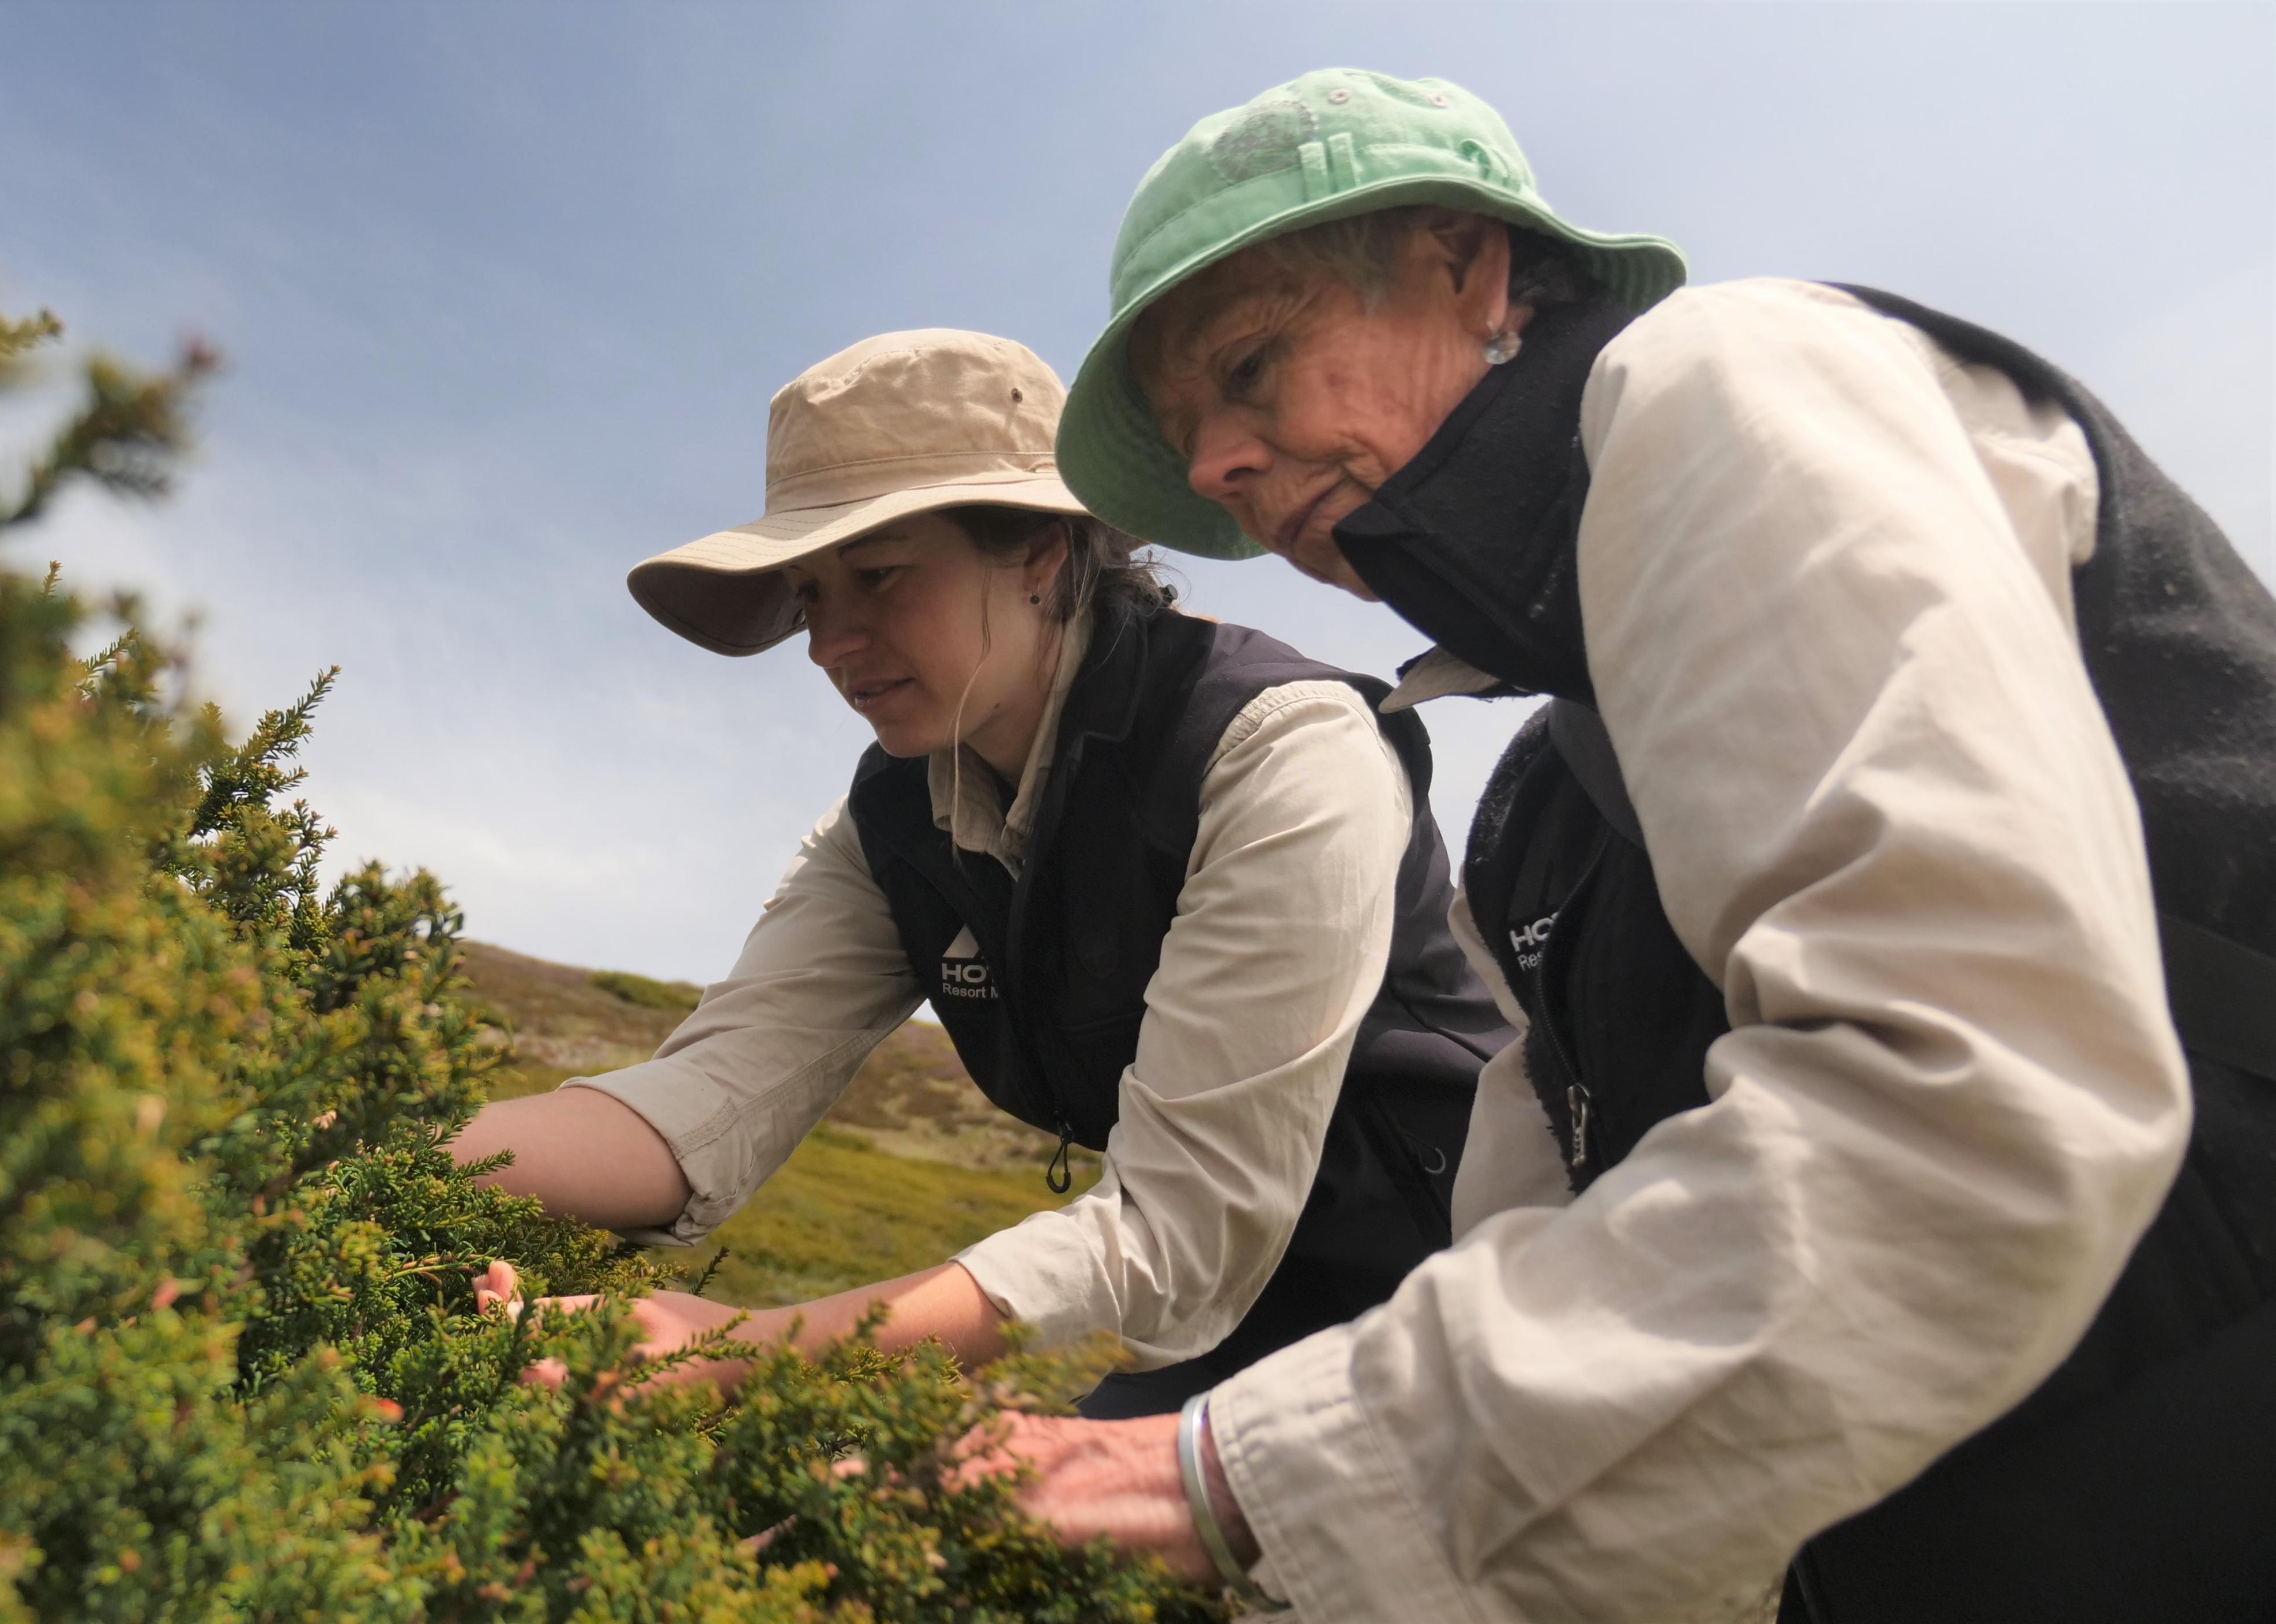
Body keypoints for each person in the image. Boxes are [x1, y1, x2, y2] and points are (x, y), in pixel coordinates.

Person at [979, 69, 2276, 1621]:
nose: (1211, 473)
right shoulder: (1535, 813)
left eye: (1250, 366)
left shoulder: (1724, 378)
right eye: (1189, 439)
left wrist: (1215, 1479)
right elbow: (1547, 1247)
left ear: (1469, 268)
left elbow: (1974, 1103)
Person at [453, 328, 1506, 1415]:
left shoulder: (1280, 749)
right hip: (1234, 1335)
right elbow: (707, 1105)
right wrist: (378, 1154)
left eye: (878, 575)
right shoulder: (890, 824)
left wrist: (736, 1351)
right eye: (810, 595)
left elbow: (1181, 1232)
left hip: (1478, 1314)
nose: (828, 644)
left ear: (1043, 552)